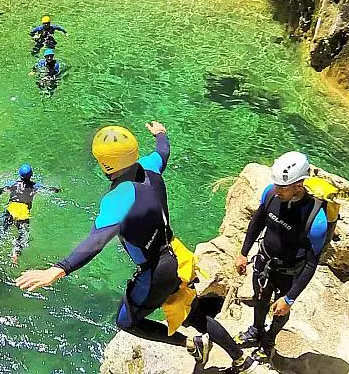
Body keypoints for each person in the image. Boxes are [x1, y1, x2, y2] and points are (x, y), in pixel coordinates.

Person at [14, 122, 260, 373]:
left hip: (156, 270)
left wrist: (58, 269)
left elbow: (96, 241)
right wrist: (161, 134)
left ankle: (190, 343)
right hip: (176, 254)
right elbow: (163, 152)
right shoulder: (150, 167)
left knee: (126, 321)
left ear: (105, 163)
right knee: (193, 312)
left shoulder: (119, 197)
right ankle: (242, 359)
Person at [234, 151, 329, 363]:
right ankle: (256, 330)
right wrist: (243, 252)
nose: (277, 191)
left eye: (282, 187)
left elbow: (311, 264)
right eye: (276, 184)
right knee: (260, 298)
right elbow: (257, 222)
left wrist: (289, 298)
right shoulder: (270, 194)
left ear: (299, 185)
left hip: (290, 272)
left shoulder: (317, 220)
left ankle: (268, 342)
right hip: (264, 261)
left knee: (279, 310)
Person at [0, 164, 60, 263]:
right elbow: (48, 190)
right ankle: (15, 254)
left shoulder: (13, 184)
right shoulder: (34, 186)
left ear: (19, 175)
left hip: (12, 208)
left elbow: (1, 191)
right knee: (23, 234)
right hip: (23, 211)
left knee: (2, 229)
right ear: (31, 175)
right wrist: (57, 189)